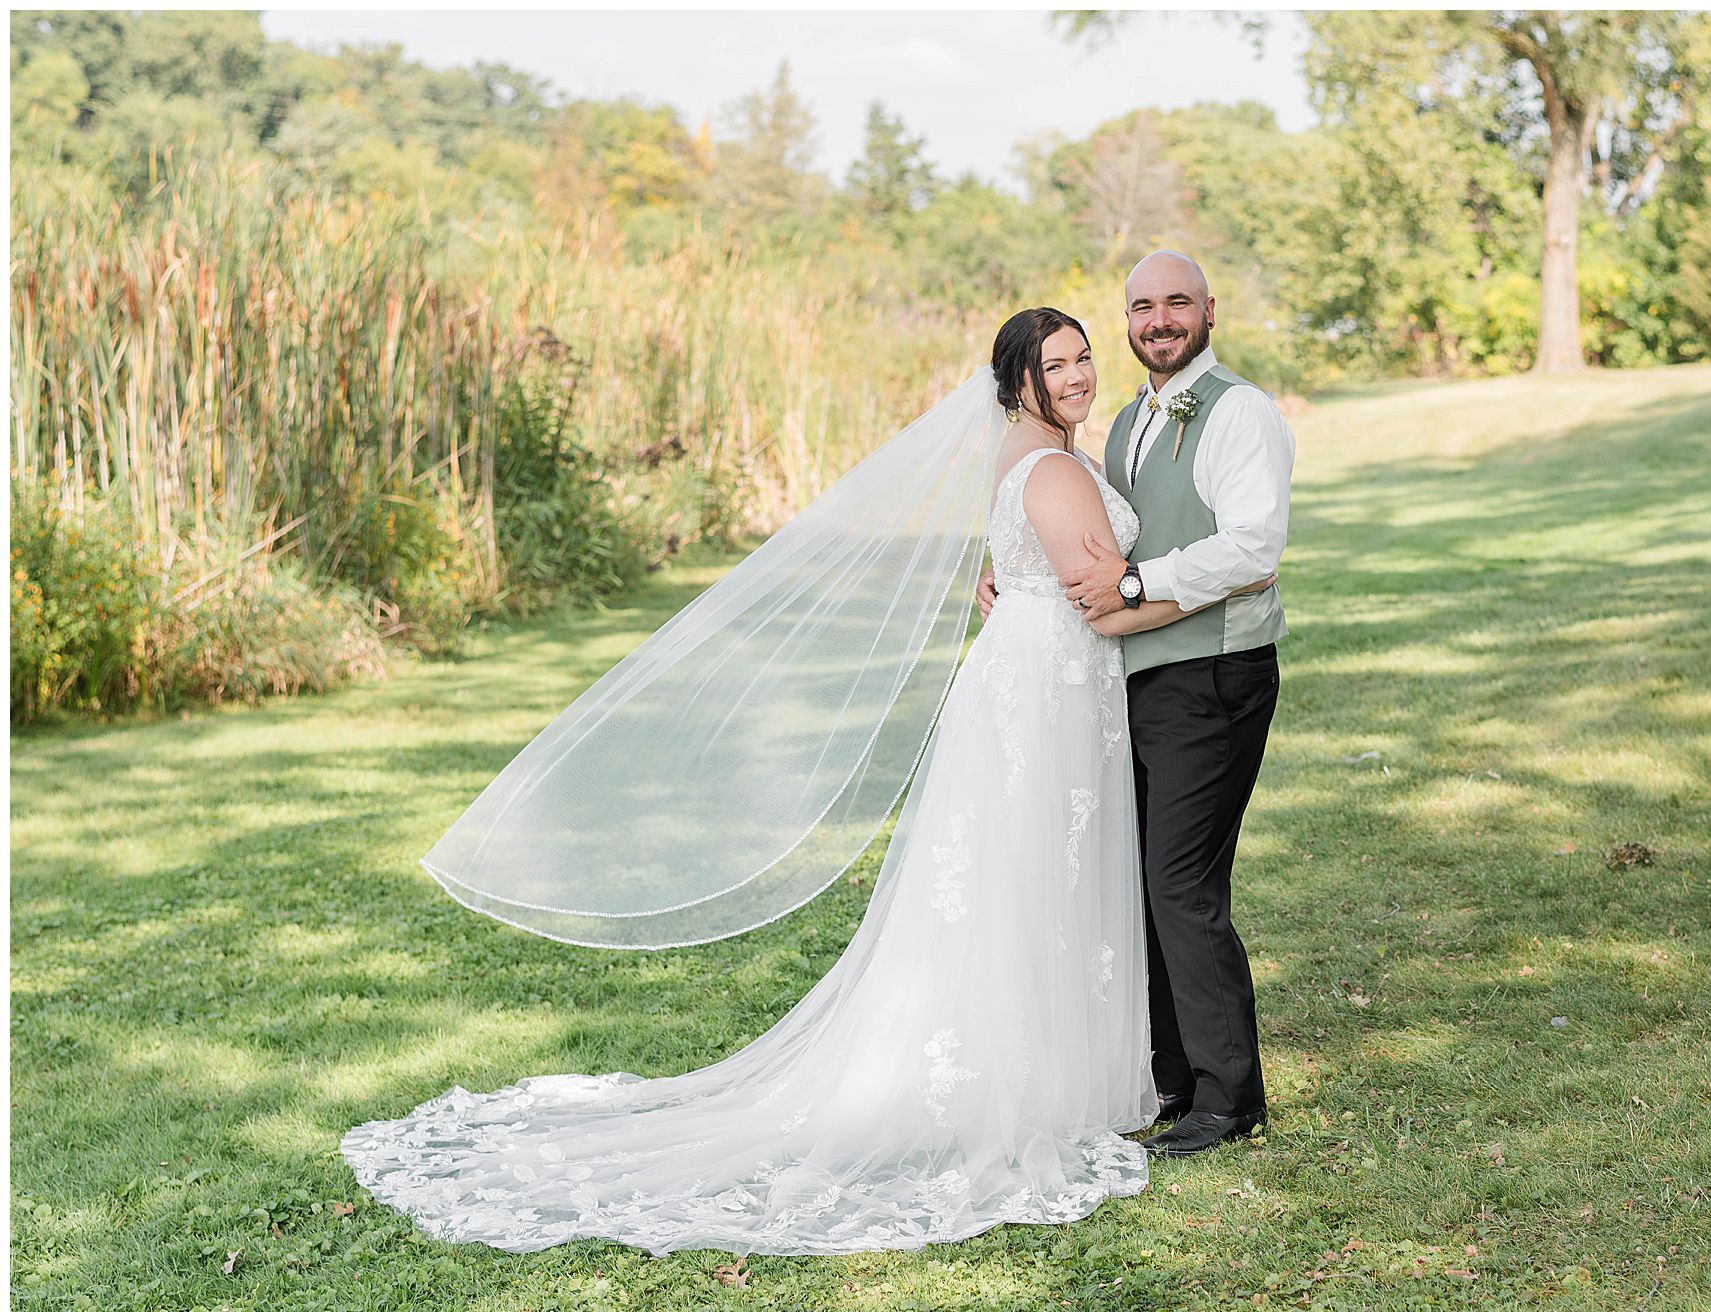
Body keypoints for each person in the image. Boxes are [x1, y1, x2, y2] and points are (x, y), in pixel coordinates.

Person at [341, 306, 1273, 1257]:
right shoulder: (1060, 468)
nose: (1078, 376)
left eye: (1083, 359)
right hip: (1054, 684)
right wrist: (1213, 584)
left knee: (1023, 876)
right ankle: (1042, 1076)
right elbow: (1105, 605)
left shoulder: (1024, 459)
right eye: (1057, 364)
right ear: (1016, 382)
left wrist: (1024, 586)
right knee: (1041, 875)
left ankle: (1076, 1061)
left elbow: (1035, 570)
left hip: (1032, 678)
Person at [976, 250, 1293, 1156]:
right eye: (1143, 306)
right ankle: (1171, 1075)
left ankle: (1228, 1100)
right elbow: (1061, 527)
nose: (1159, 319)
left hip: (1215, 674)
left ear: (1209, 310)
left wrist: (1133, 584)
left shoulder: (1242, 414)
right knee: (1143, 880)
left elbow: (1253, 550)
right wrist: (1013, 577)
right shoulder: (1121, 423)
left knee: (1180, 884)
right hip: (1135, 683)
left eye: (1177, 303)